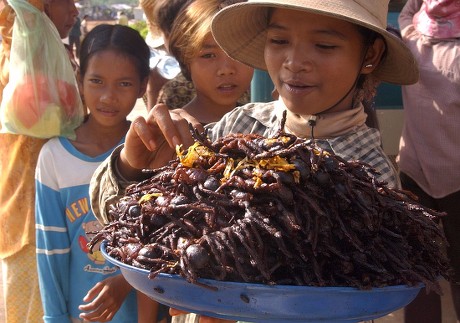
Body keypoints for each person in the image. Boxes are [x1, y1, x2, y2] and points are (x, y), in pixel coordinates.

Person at [90, 0, 419, 321]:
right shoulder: (235, 128)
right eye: (278, 40)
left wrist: (236, 306)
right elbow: (114, 217)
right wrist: (130, 164)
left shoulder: (371, 178)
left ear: (370, 55)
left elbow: (349, 292)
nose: (294, 61)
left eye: (323, 45)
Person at [34, 24, 163, 323]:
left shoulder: (150, 150)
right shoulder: (54, 157)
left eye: (124, 84)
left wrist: (127, 284)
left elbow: (158, 244)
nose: (108, 96)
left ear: (143, 85)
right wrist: (54, 317)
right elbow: (50, 253)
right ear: (79, 80)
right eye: (96, 81)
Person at [0, 0, 79, 321]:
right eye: (66, 1)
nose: (75, 11)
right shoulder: (24, 53)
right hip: (29, 223)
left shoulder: (48, 55)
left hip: (57, 214)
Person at [396, 0, 460, 322]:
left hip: (413, 173)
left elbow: (408, 14)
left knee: (419, 270)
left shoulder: (411, 40)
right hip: (456, 182)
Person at [167, 0, 253, 124]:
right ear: (185, 60)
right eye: (208, 55)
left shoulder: (263, 124)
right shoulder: (174, 131)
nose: (226, 70)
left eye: (237, 52)